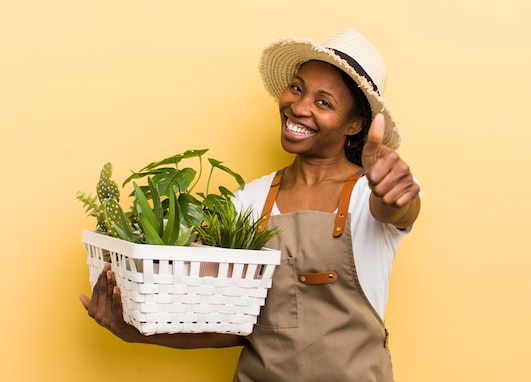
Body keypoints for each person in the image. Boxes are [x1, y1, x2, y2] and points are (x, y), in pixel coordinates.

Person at [80, 29, 421, 381]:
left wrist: (391, 193)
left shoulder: (373, 192)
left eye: (324, 102)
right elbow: (235, 326)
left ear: (355, 124)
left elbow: (398, 209)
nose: (299, 107)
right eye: (298, 88)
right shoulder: (248, 200)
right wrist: (136, 332)